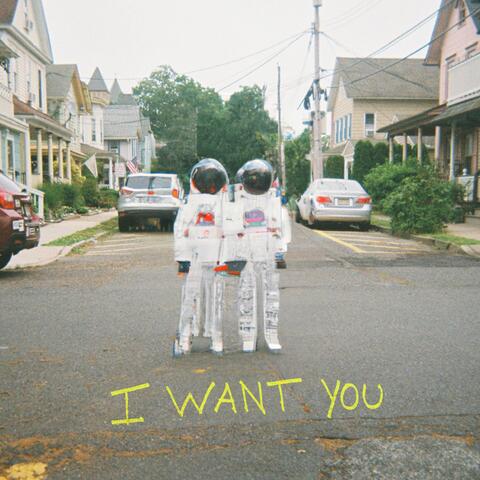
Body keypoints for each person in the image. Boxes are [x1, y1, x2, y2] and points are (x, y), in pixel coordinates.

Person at [233, 159, 291, 353]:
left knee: (271, 296)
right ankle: (248, 337)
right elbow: (232, 229)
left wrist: (280, 250)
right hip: (247, 254)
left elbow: (282, 227)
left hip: (268, 253)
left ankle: (271, 335)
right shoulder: (239, 202)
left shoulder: (274, 202)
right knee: (246, 295)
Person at [173, 159, 228, 356]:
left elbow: (229, 232)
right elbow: (180, 231)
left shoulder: (222, 204)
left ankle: (215, 337)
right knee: (192, 298)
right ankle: (186, 336)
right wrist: (183, 258)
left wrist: (227, 258)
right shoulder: (190, 204)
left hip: (212, 258)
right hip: (197, 258)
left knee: (214, 298)